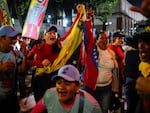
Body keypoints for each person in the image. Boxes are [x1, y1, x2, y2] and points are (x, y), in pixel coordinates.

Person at [31, 64, 102, 113]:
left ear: (77, 87)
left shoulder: (91, 106)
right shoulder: (50, 94)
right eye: (59, 83)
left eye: (67, 84)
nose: (61, 87)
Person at [27, 25, 61, 103]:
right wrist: (40, 63)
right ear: (44, 36)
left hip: (54, 81)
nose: (53, 34)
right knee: (40, 104)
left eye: (54, 33)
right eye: (50, 33)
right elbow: (28, 62)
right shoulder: (37, 47)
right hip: (39, 81)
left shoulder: (60, 49)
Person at [0, 25, 28, 113]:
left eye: (15, 38)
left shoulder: (15, 53)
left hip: (10, 97)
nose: (15, 40)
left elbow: (21, 70)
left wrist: (25, 55)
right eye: (11, 38)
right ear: (2, 38)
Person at [95, 32, 118, 113]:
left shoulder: (111, 53)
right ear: (96, 40)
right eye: (102, 38)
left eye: (106, 38)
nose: (105, 40)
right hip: (93, 88)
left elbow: (115, 72)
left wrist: (115, 88)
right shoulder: (92, 52)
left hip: (106, 88)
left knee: (104, 110)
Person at [123, 37, 141, 113]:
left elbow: (125, 64)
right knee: (137, 105)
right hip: (138, 81)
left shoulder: (128, 53)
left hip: (128, 80)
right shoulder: (140, 55)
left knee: (129, 104)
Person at [108, 32, 125, 98]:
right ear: (114, 39)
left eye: (121, 38)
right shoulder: (111, 48)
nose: (121, 40)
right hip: (115, 72)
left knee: (120, 88)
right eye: (119, 38)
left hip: (120, 71)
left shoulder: (118, 47)